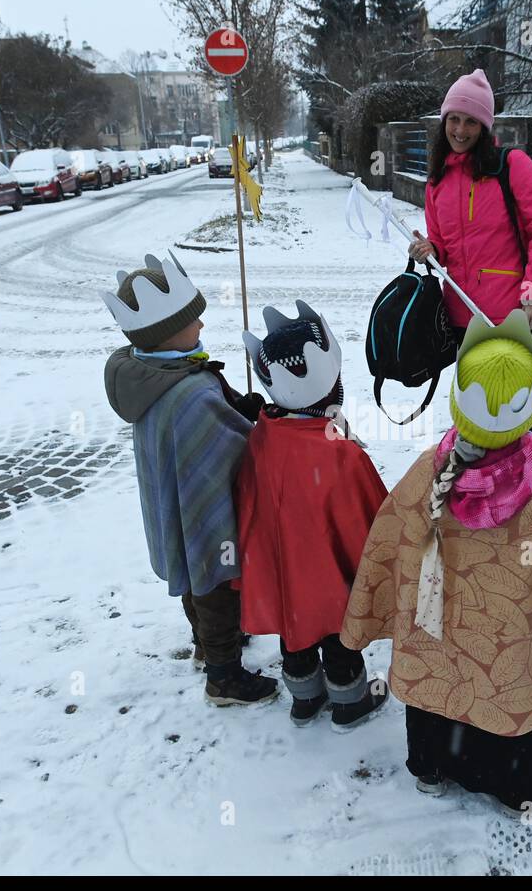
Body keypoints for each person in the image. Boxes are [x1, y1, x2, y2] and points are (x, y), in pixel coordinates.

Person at [341, 310, 532, 812]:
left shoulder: (426, 473)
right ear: (530, 404)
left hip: (437, 636)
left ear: (459, 399)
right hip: (511, 654)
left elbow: (388, 549)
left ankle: (433, 766)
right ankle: (517, 785)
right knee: (512, 684)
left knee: (438, 678)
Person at [102, 251, 278, 705]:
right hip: (207, 508)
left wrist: (236, 405)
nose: (201, 327)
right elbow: (233, 448)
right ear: (166, 333)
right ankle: (224, 677)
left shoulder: (150, 373)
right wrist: (261, 430)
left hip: (176, 504)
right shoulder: (189, 393)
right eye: (192, 320)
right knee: (215, 582)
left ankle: (205, 644)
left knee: (192, 567)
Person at [235, 301, 391, 730]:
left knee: (296, 627)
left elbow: (250, 502)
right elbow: (373, 521)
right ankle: (350, 700)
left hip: (284, 570)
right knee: (337, 630)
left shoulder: (264, 435)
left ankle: (305, 698)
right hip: (329, 575)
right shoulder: (338, 453)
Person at [406, 69, 532, 336]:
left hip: (511, 319)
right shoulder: (437, 181)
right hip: (459, 318)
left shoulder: (513, 166)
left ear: (484, 127)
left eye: (471, 122)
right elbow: (444, 245)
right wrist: (430, 249)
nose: (460, 130)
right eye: (454, 119)